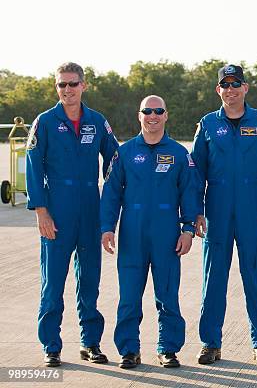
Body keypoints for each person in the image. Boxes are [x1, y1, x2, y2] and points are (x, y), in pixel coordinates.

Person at [26, 62, 118, 367]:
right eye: (61, 85)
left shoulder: (97, 121)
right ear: (57, 88)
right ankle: (51, 345)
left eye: (72, 84)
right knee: (53, 284)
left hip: (90, 210)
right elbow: (33, 167)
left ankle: (90, 343)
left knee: (89, 281)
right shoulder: (45, 122)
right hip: (58, 213)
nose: (67, 90)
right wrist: (41, 211)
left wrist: (113, 198)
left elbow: (114, 159)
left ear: (84, 86)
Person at [191, 64, 257, 365]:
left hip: (253, 210)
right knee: (213, 277)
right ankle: (210, 342)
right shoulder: (207, 124)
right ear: (218, 90)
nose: (230, 91)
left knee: (255, 277)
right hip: (217, 211)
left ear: (245, 88)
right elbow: (196, 173)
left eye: (236, 85)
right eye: (225, 86)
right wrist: (195, 212)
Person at [100, 95, 199, 369]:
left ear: (166, 115)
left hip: (167, 233)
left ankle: (168, 348)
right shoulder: (125, 152)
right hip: (133, 232)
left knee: (167, 295)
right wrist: (107, 228)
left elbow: (190, 193)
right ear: (139, 115)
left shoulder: (180, 154)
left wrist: (188, 229)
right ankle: (129, 350)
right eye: (147, 111)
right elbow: (111, 193)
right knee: (129, 296)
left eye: (158, 111)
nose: (153, 115)